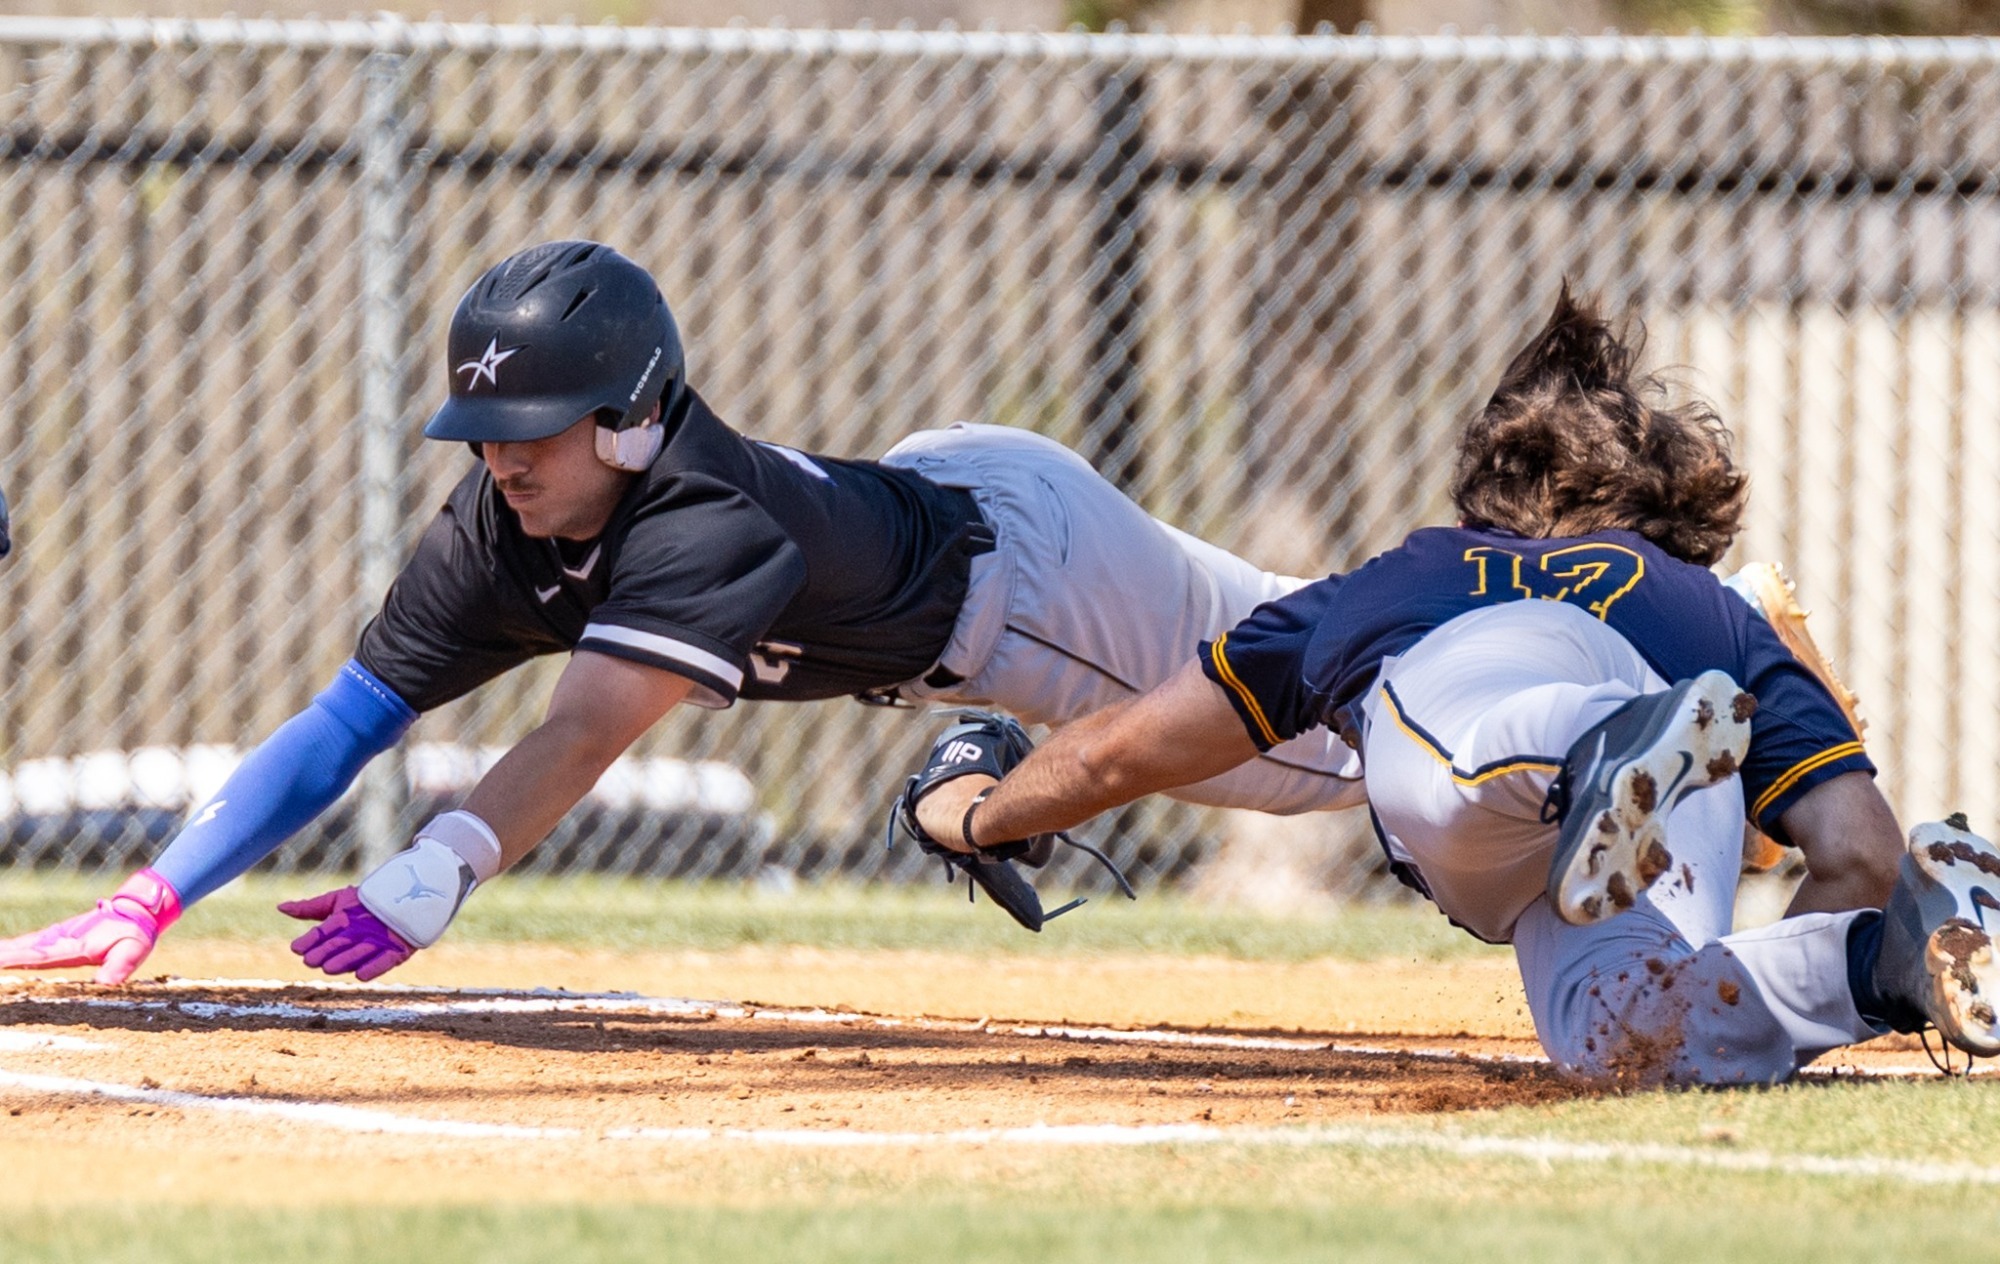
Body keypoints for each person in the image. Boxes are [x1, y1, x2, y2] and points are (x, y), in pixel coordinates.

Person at [0, 239, 1362, 985]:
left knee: (1319, 749)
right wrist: (154, 894)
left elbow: (585, 734)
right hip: (950, 503)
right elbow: (350, 717)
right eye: (485, 430)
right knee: (1301, 644)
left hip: (1032, 587)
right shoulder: (500, 521)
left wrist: (437, 873)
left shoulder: (709, 517)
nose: (504, 458)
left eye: (537, 427)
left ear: (639, 419)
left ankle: (1500, 673)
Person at [907, 287, 2000, 1084]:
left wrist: (975, 813)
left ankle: (1589, 750)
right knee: (1624, 1039)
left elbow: (1119, 750)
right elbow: (1857, 849)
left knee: (1446, 767)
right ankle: (1890, 962)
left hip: (1539, 728)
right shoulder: (1707, 607)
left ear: (1496, 484)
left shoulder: (1416, 574)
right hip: (1649, 796)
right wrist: (1812, 972)